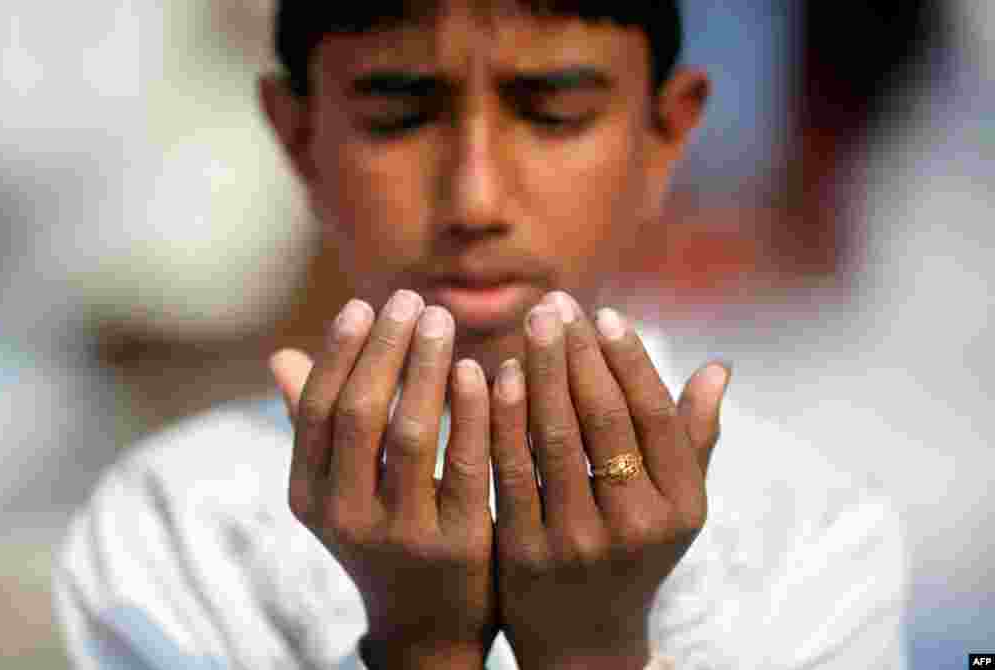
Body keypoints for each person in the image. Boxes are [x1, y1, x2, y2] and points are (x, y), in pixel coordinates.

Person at [52, 1, 908, 668]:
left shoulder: (813, 532)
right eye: (398, 116)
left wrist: (590, 650)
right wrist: (421, 646)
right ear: (298, 137)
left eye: (556, 113)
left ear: (666, 134)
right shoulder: (174, 527)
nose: (475, 200)